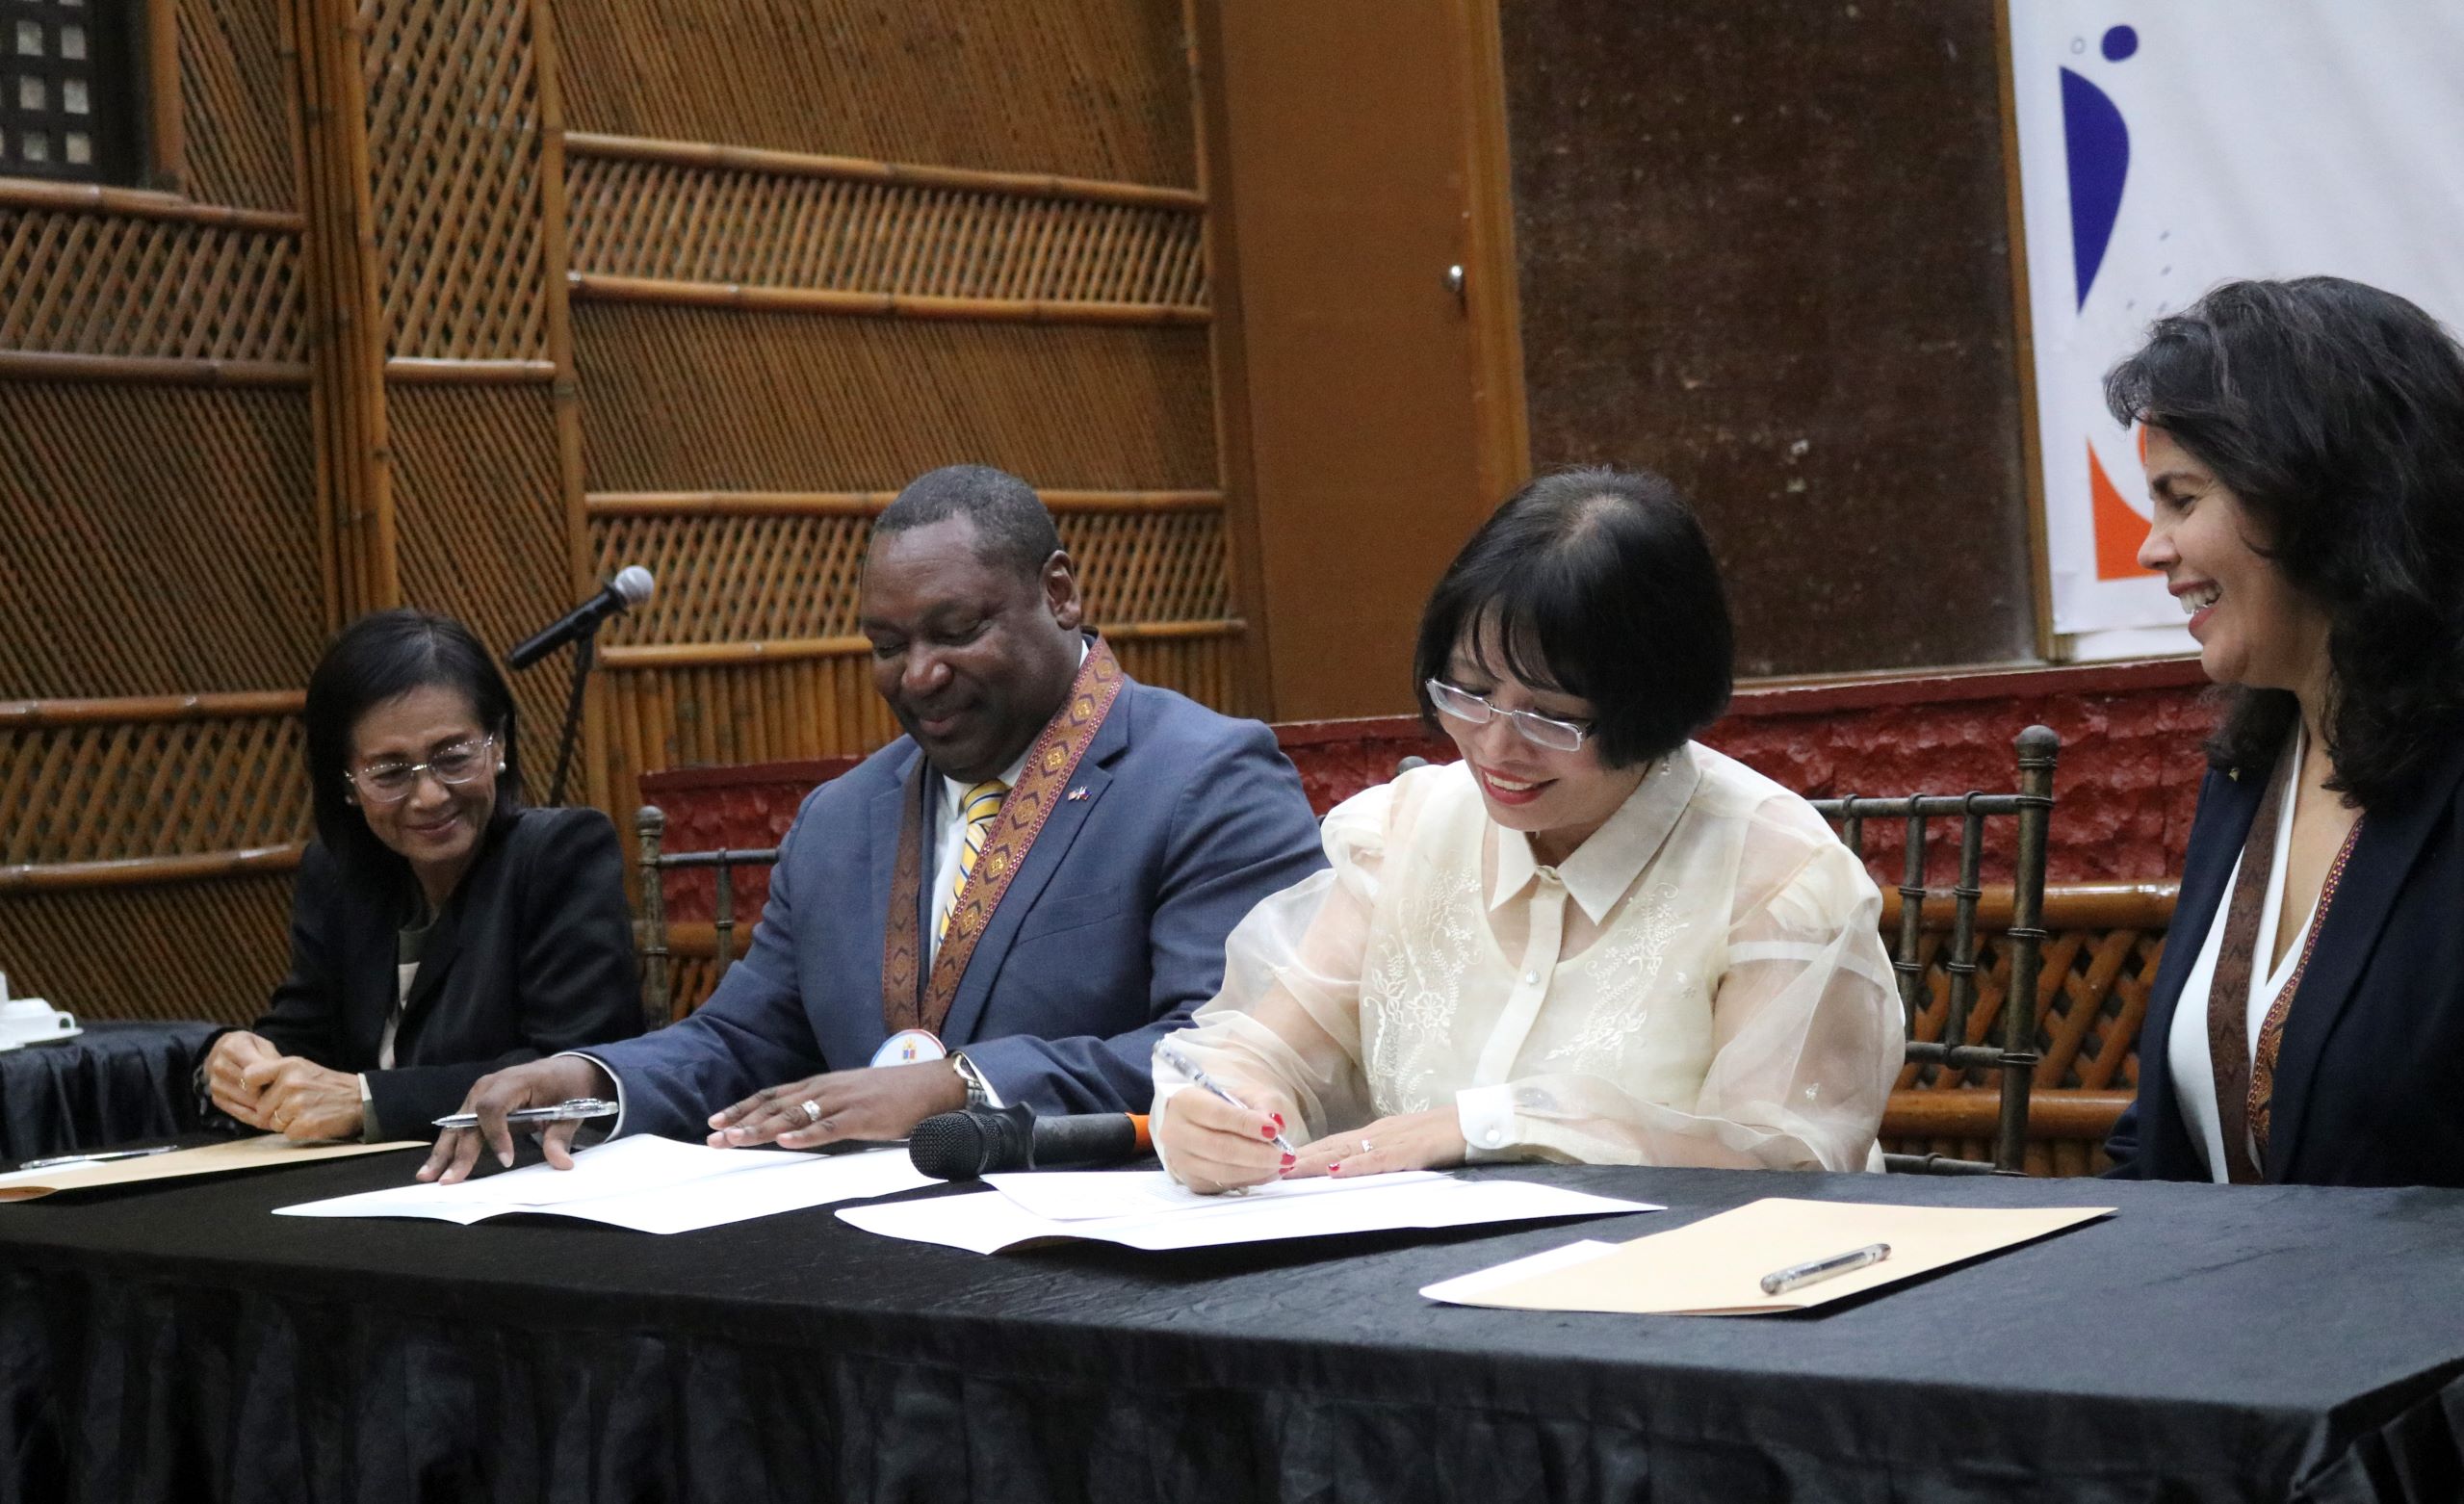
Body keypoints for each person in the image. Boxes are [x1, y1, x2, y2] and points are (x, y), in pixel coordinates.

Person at [422, 464, 1326, 1181]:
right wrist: (593, 1081)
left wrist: (957, 1085)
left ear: (1060, 593)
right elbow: (742, 1038)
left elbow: (1228, 1047)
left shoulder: (1204, 777)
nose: (919, 675)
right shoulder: (840, 816)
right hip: (857, 1260)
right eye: (888, 648)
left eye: (954, 631)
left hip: (1098, 1260)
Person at [1151, 468, 1904, 1193]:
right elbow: (1273, 1049)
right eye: (1468, 692)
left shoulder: (1775, 875)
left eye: (1550, 715)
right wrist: (1225, 1112)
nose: (1494, 746)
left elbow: (1788, 1160)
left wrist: (1496, 1124)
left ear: (1657, 702)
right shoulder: (1409, 830)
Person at [2102, 277, 2464, 1186]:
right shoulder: (2251, 771)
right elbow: (2158, 1145)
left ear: (2313, 496)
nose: (2152, 549)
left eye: (2180, 499)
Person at [198, 609, 639, 1142]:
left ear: (497, 745)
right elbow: (304, 1038)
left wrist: (368, 1101)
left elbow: (574, 1066)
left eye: (453, 757)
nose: (429, 796)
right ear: (345, 782)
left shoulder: (563, 853)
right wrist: (238, 1065)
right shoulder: (337, 873)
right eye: (389, 772)